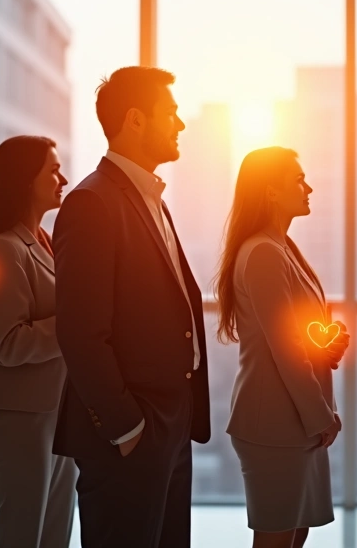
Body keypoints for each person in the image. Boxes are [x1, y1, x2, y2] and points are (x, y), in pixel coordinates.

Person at [52, 66, 210, 547]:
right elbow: (81, 333)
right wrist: (127, 427)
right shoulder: (90, 203)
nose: (180, 124)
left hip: (170, 424)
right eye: (172, 113)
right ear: (136, 120)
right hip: (132, 430)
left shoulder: (153, 200)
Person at [216, 147, 351, 548]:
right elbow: (283, 347)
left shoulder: (281, 247)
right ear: (271, 191)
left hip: (292, 421)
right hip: (273, 423)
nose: (308, 188)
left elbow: (295, 334)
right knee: (277, 537)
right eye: (298, 179)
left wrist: (326, 345)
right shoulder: (262, 253)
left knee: (296, 531)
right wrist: (322, 417)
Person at [0, 136, 75, 548]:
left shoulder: (45, 244)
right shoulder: (3, 250)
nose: (62, 178)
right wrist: (74, 324)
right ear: (24, 180)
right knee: (19, 535)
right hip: (22, 419)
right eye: (52, 170)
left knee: (54, 537)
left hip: (56, 414)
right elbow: (9, 343)